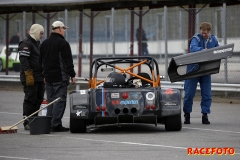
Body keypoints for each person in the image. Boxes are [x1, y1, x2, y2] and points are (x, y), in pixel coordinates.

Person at [40, 21, 76, 132]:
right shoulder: (63, 44)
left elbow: (42, 61)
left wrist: (44, 75)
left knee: (50, 101)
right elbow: (67, 62)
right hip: (60, 78)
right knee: (60, 101)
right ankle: (55, 124)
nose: (64, 31)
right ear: (60, 29)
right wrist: (72, 75)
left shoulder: (44, 43)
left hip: (48, 77)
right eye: (64, 29)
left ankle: (49, 123)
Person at [183, 22, 220, 125]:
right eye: (202, 33)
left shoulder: (214, 39)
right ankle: (187, 114)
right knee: (189, 93)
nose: (204, 35)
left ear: (209, 32)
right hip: (193, 69)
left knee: (207, 94)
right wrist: (204, 51)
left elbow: (219, 50)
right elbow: (193, 49)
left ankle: (205, 114)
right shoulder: (196, 38)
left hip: (206, 70)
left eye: (206, 33)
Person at [18, 24, 45, 130]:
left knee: (39, 99)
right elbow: (24, 60)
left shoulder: (38, 44)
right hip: (29, 77)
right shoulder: (26, 43)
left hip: (39, 77)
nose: (42, 36)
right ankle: (27, 121)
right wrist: (28, 74)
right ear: (36, 32)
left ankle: (34, 119)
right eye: (41, 33)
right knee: (30, 99)